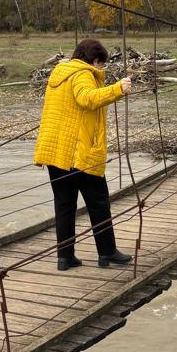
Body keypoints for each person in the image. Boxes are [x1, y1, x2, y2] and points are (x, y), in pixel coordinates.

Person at [33, 38, 133, 271]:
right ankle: (107, 252)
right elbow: (87, 98)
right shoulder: (82, 73)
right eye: (101, 64)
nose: (101, 69)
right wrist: (118, 89)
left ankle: (65, 257)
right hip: (79, 152)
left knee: (64, 205)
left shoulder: (60, 73)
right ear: (94, 60)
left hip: (56, 152)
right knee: (99, 203)